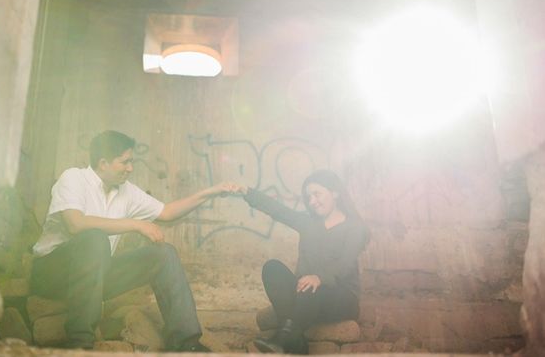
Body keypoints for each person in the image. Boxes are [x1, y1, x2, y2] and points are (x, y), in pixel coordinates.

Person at [30, 130, 236, 352]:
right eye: (125, 162)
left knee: (164, 254)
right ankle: (80, 344)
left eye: (131, 162)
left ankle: (187, 344)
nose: (130, 168)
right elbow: (76, 224)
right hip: (52, 275)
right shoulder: (73, 178)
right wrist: (136, 224)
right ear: (103, 163)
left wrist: (212, 192)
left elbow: (167, 212)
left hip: (96, 277)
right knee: (95, 238)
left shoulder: (126, 191)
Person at [234, 170, 370, 354]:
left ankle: (284, 338)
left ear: (335, 193)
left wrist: (319, 278)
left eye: (317, 194)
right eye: (309, 197)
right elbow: (279, 211)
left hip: (340, 298)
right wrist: (246, 192)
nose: (312, 201)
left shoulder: (355, 227)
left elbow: (345, 264)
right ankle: (295, 339)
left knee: (310, 287)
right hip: (307, 295)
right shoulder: (308, 223)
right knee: (272, 268)